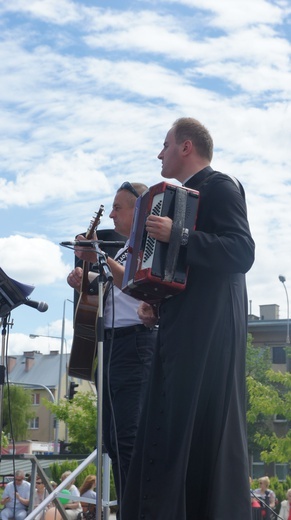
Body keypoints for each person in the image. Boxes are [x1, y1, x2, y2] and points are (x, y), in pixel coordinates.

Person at [121, 117, 255, 520]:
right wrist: (156, 303)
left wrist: (176, 235)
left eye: (165, 145)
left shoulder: (221, 186)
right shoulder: (186, 196)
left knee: (197, 424)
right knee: (175, 423)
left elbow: (241, 252)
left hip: (211, 329)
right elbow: (186, 274)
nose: (159, 153)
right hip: (185, 326)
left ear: (186, 147)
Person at [67, 182, 157, 510]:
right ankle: (129, 510)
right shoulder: (122, 250)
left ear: (140, 212)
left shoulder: (149, 245)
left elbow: (134, 284)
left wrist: (98, 256)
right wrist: (83, 278)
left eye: (119, 207)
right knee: (115, 442)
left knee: (130, 437)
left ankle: (138, 510)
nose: (113, 213)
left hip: (135, 344)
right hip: (113, 347)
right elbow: (110, 287)